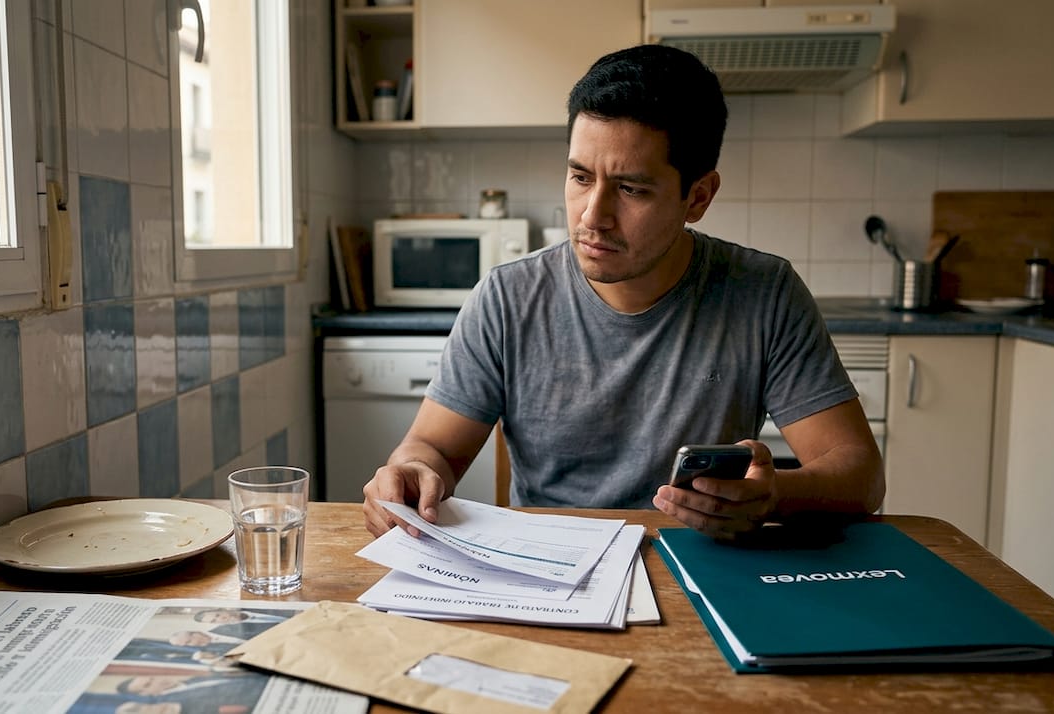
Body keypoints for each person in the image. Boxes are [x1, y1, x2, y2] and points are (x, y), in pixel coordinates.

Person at [361, 44, 884, 541]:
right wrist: (409, 472)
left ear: (698, 197)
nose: (593, 216)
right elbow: (432, 448)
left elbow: (861, 477)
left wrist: (774, 497)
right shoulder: (506, 298)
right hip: (550, 566)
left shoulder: (764, 294)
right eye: (580, 177)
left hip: (700, 562)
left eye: (631, 189)